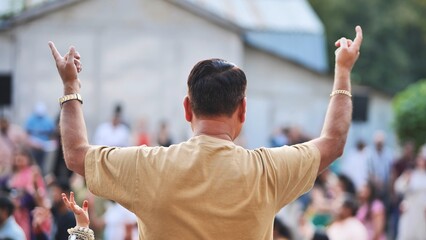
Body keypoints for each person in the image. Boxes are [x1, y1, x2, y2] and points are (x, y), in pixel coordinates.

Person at [48, 25, 363, 239]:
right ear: (243, 111)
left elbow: (76, 155)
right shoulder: (268, 172)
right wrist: (343, 72)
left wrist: (70, 86)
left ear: (187, 109)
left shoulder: (147, 167)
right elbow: (333, 143)